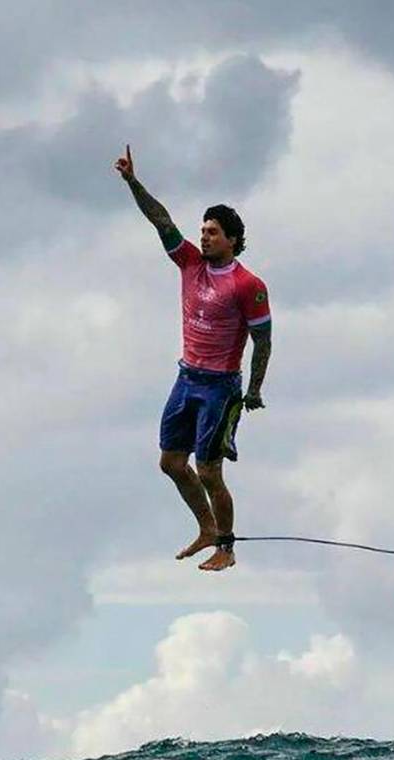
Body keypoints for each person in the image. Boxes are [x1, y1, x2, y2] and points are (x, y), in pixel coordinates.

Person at [115, 144, 272, 572]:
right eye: (203, 230)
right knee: (170, 463)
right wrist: (133, 182)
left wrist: (254, 389)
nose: (204, 237)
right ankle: (206, 528)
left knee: (208, 471)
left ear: (234, 240)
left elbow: (263, 340)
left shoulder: (247, 284)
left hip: (220, 387)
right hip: (186, 379)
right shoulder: (189, 263)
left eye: (213, 232)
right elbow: (161, 220)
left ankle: (226, 546)